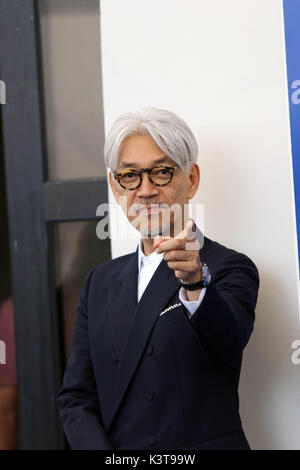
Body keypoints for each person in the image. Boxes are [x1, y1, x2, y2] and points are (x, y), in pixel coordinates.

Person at [56, 108, 259, 450]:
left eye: (162, 172)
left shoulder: (228, 268)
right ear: (115, 185)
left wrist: (195, 282)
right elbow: (77, 397)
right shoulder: (100, 282)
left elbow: (227, 345)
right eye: (130, 176)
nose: (145, 190)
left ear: (191, 179)